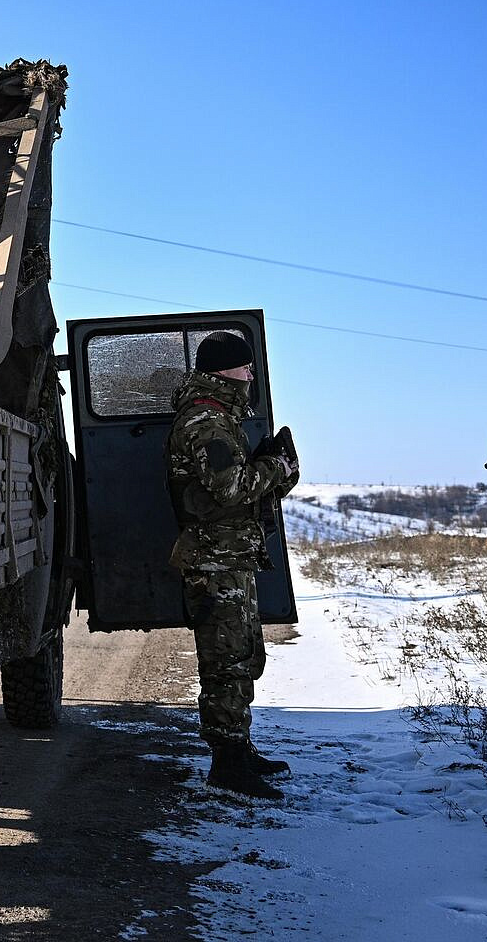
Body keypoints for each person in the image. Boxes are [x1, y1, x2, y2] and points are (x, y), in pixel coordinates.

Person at [165, 331, 300, 800]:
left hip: (228, 556)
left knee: (240, 657)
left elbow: (231, 485)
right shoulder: (206, 418)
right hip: (214, 561)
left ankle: (238, 750)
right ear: (227, 370)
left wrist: (266, 467)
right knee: (225, 662)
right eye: (246, 368)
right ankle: (226, 763)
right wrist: (279, 468)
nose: (250, 377)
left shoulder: (221, 416)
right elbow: (229, 488)